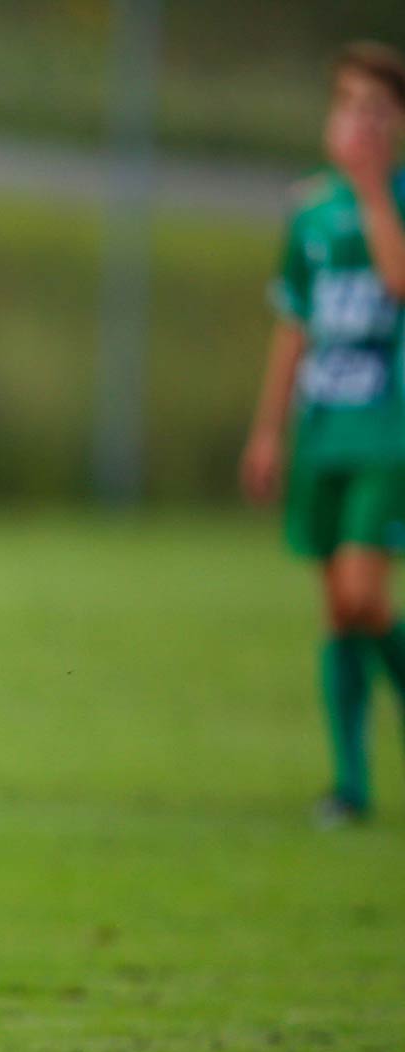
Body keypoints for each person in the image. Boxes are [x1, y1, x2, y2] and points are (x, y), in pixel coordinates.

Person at [241, 41, 405, 826]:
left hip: (388, 432)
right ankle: (352, 786)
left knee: (363, 594)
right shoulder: (309, 208)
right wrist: (269, 430)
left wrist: (375, 194)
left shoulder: (395, 200)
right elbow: (293, 328)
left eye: (376, 109)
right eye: (347, 105)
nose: (358, 122)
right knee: (338, 610)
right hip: (323, 432)